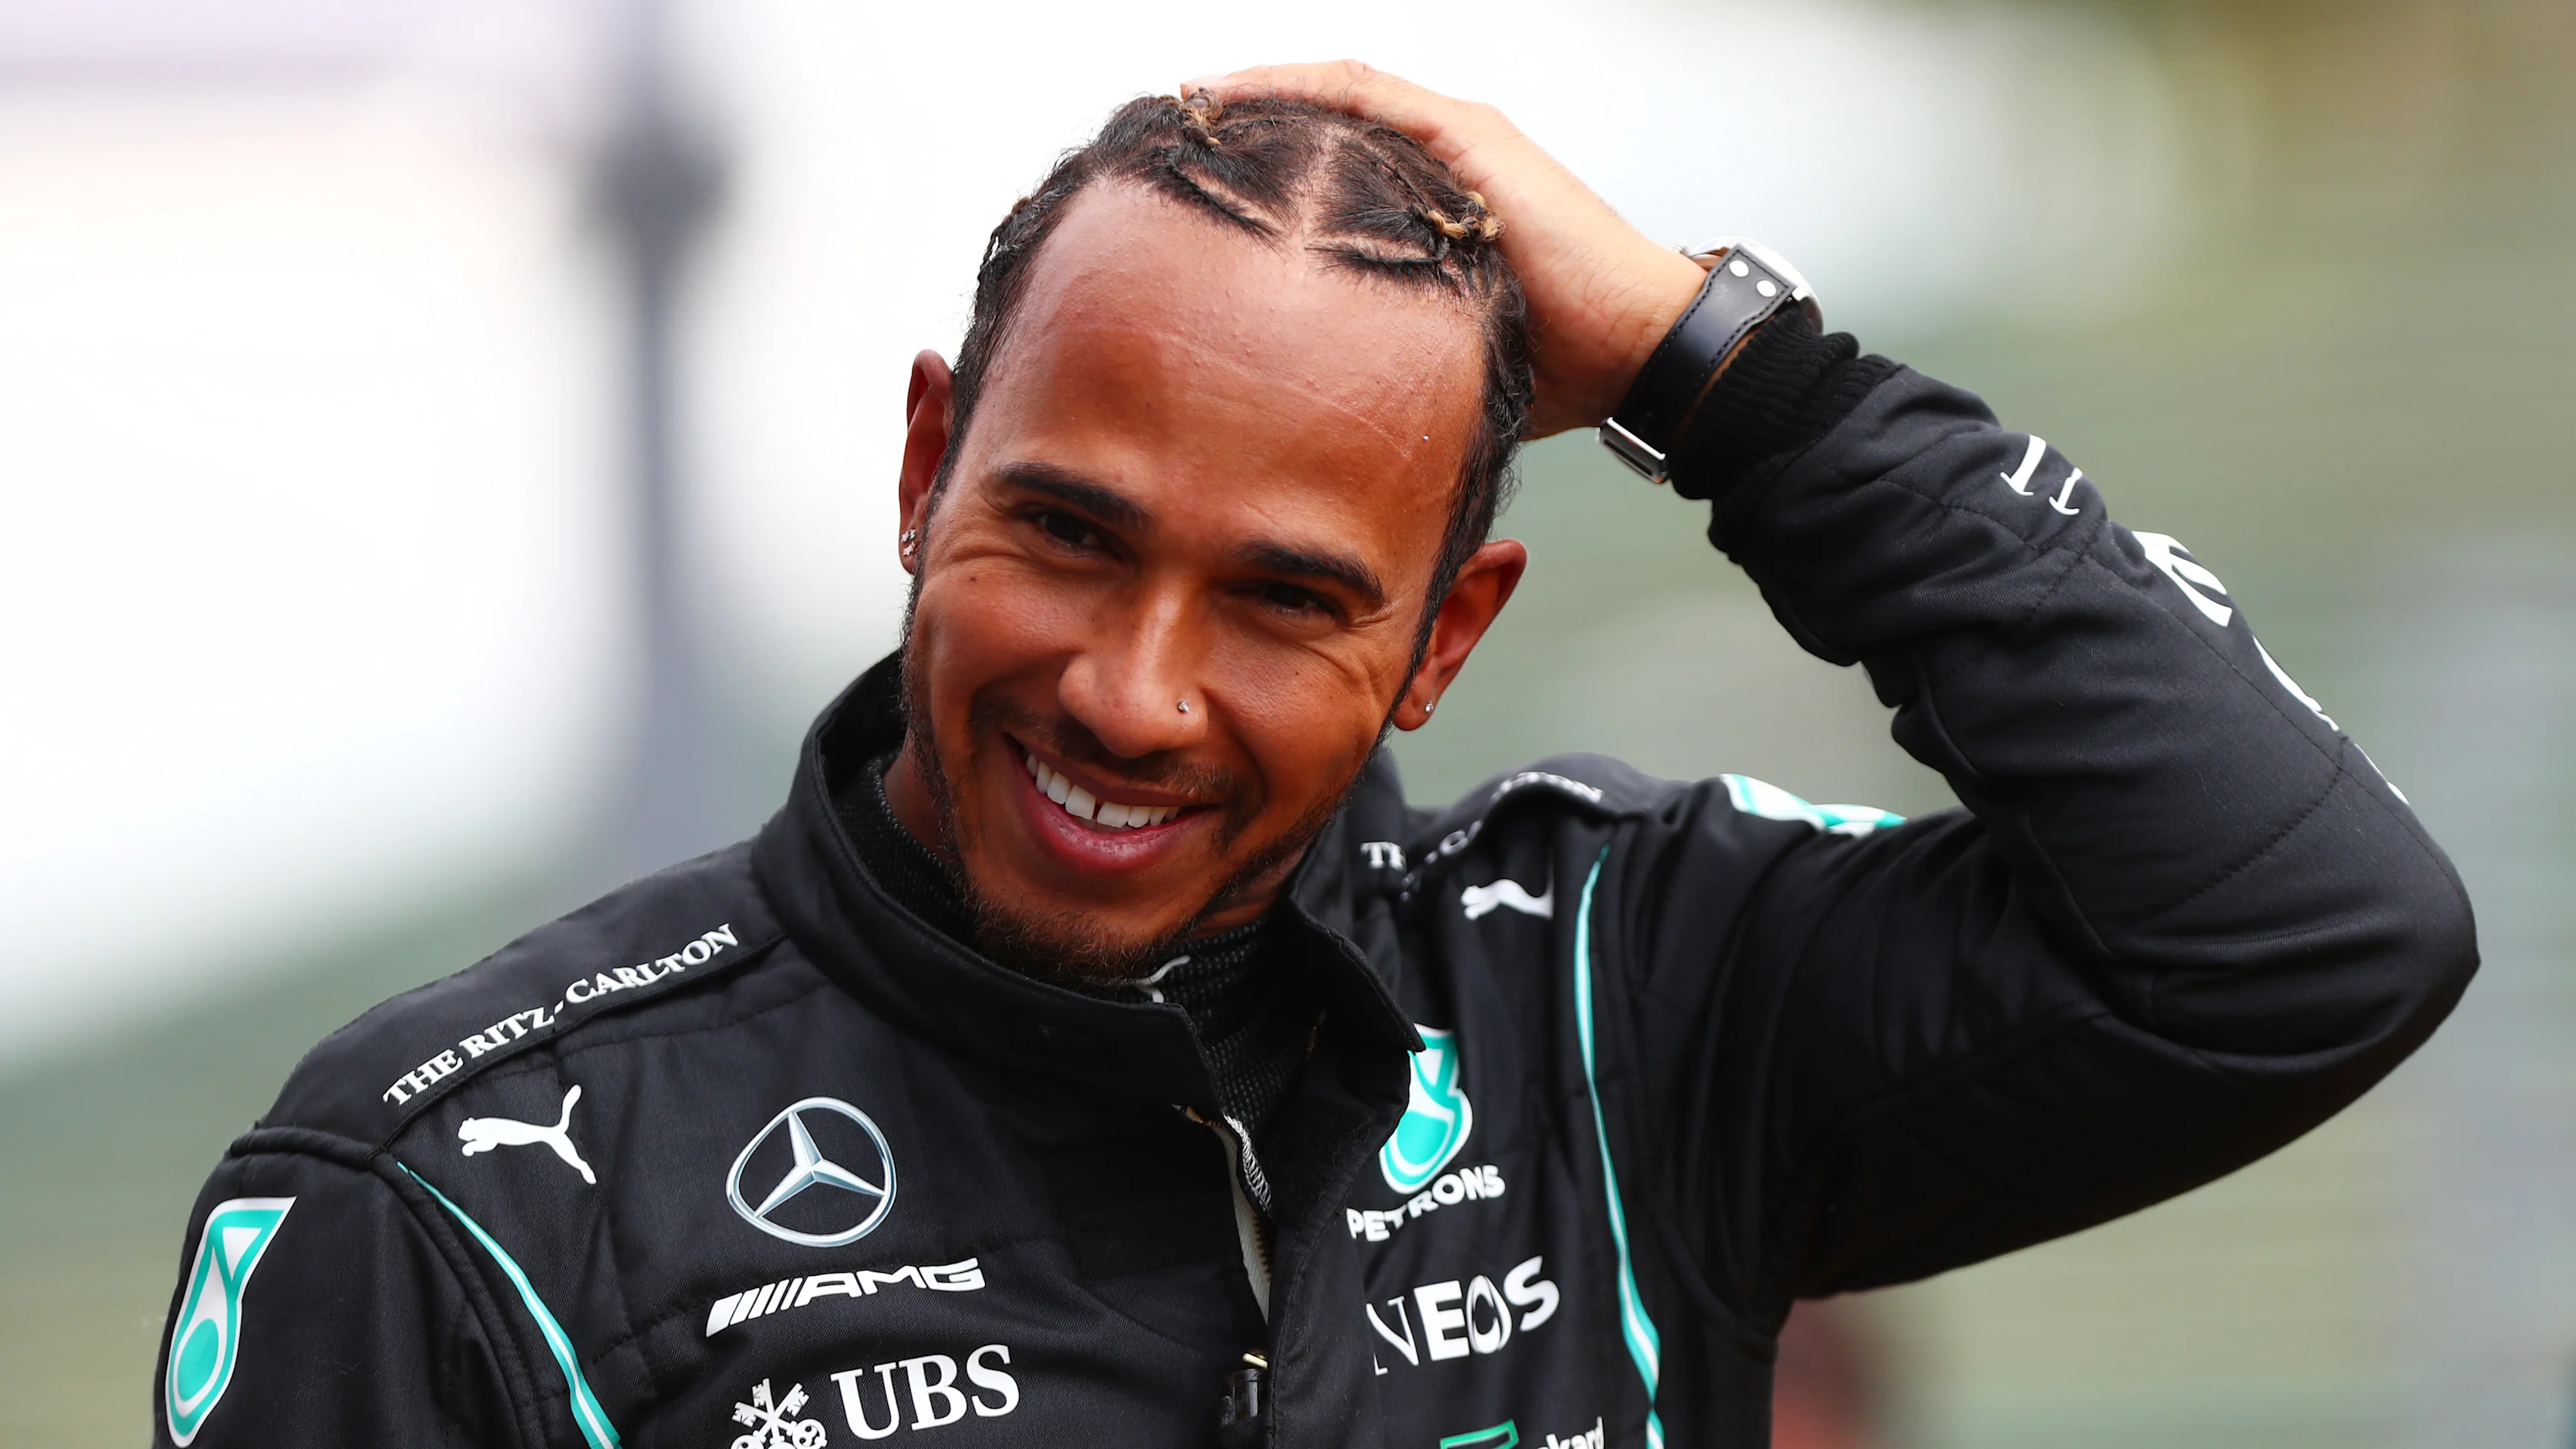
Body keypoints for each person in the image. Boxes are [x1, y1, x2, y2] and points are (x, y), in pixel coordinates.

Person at [150, 64, 2476, 1449]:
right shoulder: (454, 1190)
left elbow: (2300, 935)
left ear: (1448, 633)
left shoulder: (1613, 994)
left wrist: (1725, 373)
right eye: (1065, 534)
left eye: (1284, 598)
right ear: (925, 469)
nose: (1133, 693)